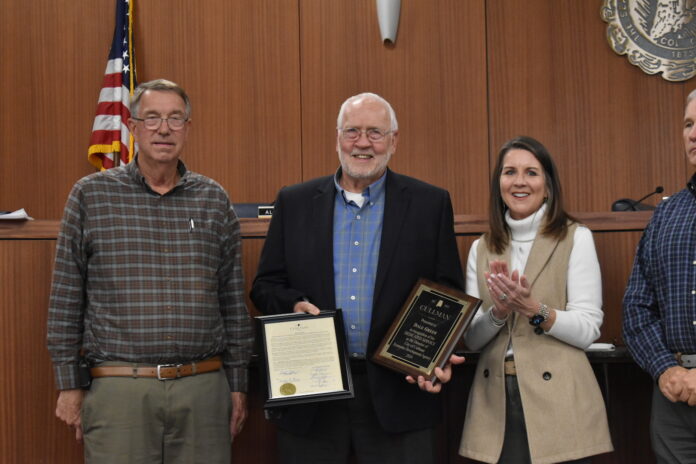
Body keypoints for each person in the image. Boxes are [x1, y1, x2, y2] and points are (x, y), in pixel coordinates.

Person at [47, 79, 253, 463]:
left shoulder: (213, 199)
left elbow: (232, 301)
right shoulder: (90, 196)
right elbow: (65, 299)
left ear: (188, 128)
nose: (164, 129)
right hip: (119, 391)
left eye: (175, 118)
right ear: (133, 126)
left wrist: (238, 384)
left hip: (203, 391)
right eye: (153, 117)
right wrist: (69, 385)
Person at [250, 92, 464, 463]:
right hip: (312, 396)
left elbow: (447, 294)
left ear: (393, 141)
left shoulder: (430, 204)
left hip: (400, 394)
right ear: (337, 138)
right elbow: (265, 286)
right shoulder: (294, 202)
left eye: (375, 132)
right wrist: (294, 306)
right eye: (352, 131)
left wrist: (437, 355)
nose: (363, 142)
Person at [459, 136, 613, 464]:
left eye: (531, 172)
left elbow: (588, 329)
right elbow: (471, 339)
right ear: (498, 183)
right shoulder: (481, 248)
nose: (519, 181)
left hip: (561, 402)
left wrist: (533, 309)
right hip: (495, 402)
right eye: (509, 172)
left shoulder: (575, 237)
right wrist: (498, 312)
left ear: (548, 185)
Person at [623, 89, 696, 463]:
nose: (693, 134)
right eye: (688, 124)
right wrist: (665, 369)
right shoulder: (665, 216)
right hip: (673, 395)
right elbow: (637, 308)